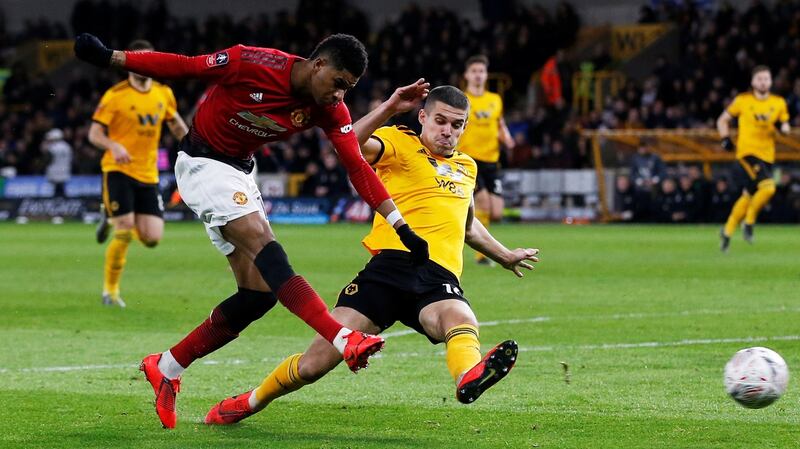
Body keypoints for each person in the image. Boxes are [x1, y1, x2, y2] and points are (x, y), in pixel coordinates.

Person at [74, 33, 429, 429]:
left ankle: (167, 366)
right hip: (202, 163)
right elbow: (185, 66)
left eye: (348, 88)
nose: (339, 95)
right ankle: (343, 338)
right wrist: (112, 58)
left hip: (240, 172)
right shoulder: (252, 62)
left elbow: (357, 167)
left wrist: (401, 225)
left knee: (258, 295)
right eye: (338, 82)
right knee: (265, 244)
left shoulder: (331, 109)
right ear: (317, 65)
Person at [203, 83, 539, 425]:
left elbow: (468, 227)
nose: (447, 131)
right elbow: (348, 145)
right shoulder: (398, 141)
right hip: (389, 268)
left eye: (457, 125)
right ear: (423, 116)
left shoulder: (468, 168)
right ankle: (251, 401)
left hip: (438, 275)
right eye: (440, 121)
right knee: (314, 364)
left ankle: (469, 375)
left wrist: (504, 255)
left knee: (460, 319)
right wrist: (390, 107)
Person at [88, 39, 189, 307]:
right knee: (125, 230)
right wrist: (113, 144)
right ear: (129, 61)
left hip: (148, 173)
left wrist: (196, 146)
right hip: (118, 169)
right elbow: (94, 133)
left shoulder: (163, 93)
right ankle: (110, 292)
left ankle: (108, 215)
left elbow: (176, 125)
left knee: (152, 238)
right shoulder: (116, 95)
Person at [717, 65, 790, 252]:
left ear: (771, 81)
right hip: (747, 152)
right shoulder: (742, 100)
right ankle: (748, 222)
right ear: (753, 82)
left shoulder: (779, 102)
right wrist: (725, 138)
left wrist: (784, 129)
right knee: (769, 187)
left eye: (766, 79)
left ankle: (726, 231)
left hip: (767, 154)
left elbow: (784, 125)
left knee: (748, 194)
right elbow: (722, 120)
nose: (763, 82)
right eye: (760, 79)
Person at [457, 55, 514, 265]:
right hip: (470, 160)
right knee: (483, 205)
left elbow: (500, 124)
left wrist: (506, 138)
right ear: (467, 75)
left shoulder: (495, 100)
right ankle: (482, 255)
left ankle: (462, 224)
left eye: (481, 71)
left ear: (486, 74)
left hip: (492, 160)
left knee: (497, 212)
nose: (478, 75)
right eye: (474, 71)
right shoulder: (461, 99)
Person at [42, 128, 72, 198]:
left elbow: (47, 160)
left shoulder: (52, 147)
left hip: (54, 172)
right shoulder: (67, 146)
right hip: (65, 171)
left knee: (55, 192)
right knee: (62, 190)